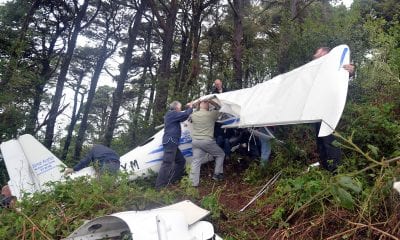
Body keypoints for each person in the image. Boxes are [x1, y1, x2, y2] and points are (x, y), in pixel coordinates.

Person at [312, 47, 355, 172]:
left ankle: (335, 173)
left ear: (327, 54)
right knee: (320, 142)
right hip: (318, 113)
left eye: (319, 52)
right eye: (316, 53)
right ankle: (325, 170)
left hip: (330, 112)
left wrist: (351, 71)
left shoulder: (335, 67)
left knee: (329, 141)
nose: (316, 55)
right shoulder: (317, 70)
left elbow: (345, 73)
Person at [155, 100, 193, 189]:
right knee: (167, 163)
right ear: (176, 108)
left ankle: (172, 180)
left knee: (181, 161)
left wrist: (188, 109)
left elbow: (183, 117)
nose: (180, 109)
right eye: (179, 108)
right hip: (171, 141)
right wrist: (190, 107)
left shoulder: (172, 114)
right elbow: (185, 115)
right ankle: (159, 186)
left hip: (172, 142)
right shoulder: (172, 114)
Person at [190, 101, 225, 187]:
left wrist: (195, 106)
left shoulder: (193, 115)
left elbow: (190, 119)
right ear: (208, 106)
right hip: (207, 141)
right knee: (220, 154)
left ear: (199, 106)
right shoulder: (211, 114)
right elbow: (221, 109)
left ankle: (193, 184)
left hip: (195, 142)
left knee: (196, 162)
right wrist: (212, 101)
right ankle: (217, 175)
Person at [212, 79, 232, 160]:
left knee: (227, 140)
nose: (217, 85)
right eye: (216, 84)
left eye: (218, 84)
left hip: (227, 111)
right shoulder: (213, 93)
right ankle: (216, 155)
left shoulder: (227, 91)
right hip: (219, 112)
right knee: (219, 139)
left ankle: (227, 156)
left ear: (221, 83)